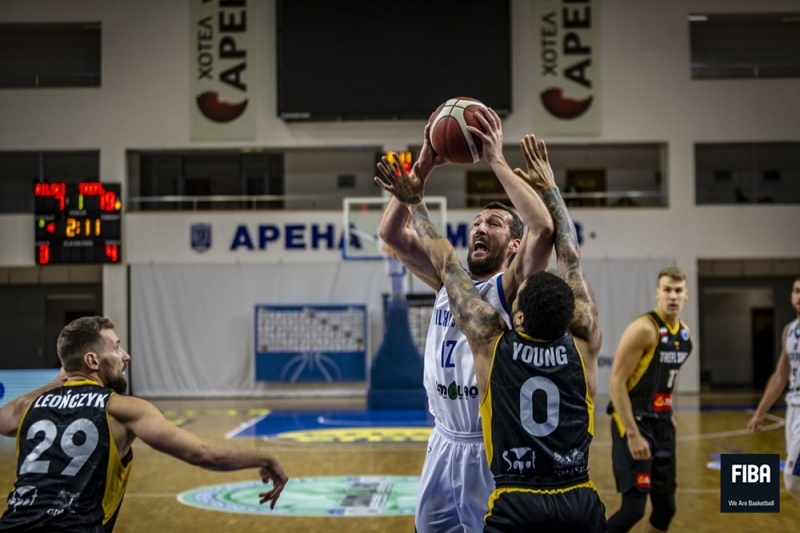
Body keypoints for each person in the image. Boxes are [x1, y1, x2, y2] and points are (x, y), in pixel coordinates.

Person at [375, 133, 606, 532]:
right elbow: (391, 235)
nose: (481, 227)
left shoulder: (512, 285)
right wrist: (424, 164)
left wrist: (495, 159)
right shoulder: (450, 285)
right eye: (477, 222)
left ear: (515, 244)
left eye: (494, 223)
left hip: (488, 444)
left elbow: (544, 229)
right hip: (443, 437)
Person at [0, 316, 288, 533]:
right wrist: (266, 458)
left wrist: (57, 381)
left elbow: (4, 419)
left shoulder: (29, 406)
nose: (125, 356)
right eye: (116, 348)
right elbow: (204, 453)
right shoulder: (122, 409)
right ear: (92, 361)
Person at [606, 266, 693, 533]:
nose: (673, 296)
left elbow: (663, 379)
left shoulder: (684, 335)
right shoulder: (644, 329)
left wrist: (669, 413)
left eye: (678, 291)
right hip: (635, 424)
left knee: (666, 509)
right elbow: (616, 383)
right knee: (633, 510)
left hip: (662, 425)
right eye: (667, 290)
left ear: (686, 294)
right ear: (658, 293)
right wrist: (633, 434)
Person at [746, 275, 800, 501]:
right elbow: (780, 376)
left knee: (793, 480)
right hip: (793, 409)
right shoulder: (789, 330)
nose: (799, 296)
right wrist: (760, 413)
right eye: (797, 291)